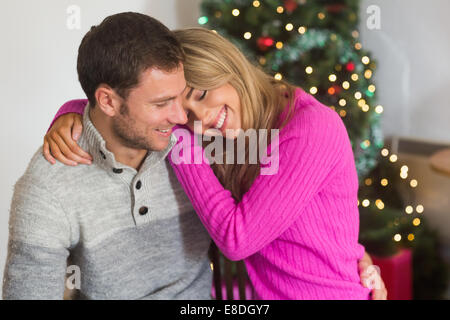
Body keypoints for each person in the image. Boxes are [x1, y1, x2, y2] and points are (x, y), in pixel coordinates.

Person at [42, 27, 387, 300]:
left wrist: (180, 140)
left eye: (203, 94)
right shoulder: (229, 139)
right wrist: (71, 112)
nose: (202, 119)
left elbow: (238, 239)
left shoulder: (310, 128)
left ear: (229, 69)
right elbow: (131, 110)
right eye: (185, 115)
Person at [2, 13, 213, 300]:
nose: (180, 115)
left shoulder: (192, 138)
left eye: (181, 95)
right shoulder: (47, 188)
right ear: (108, 101)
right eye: (162, 103)